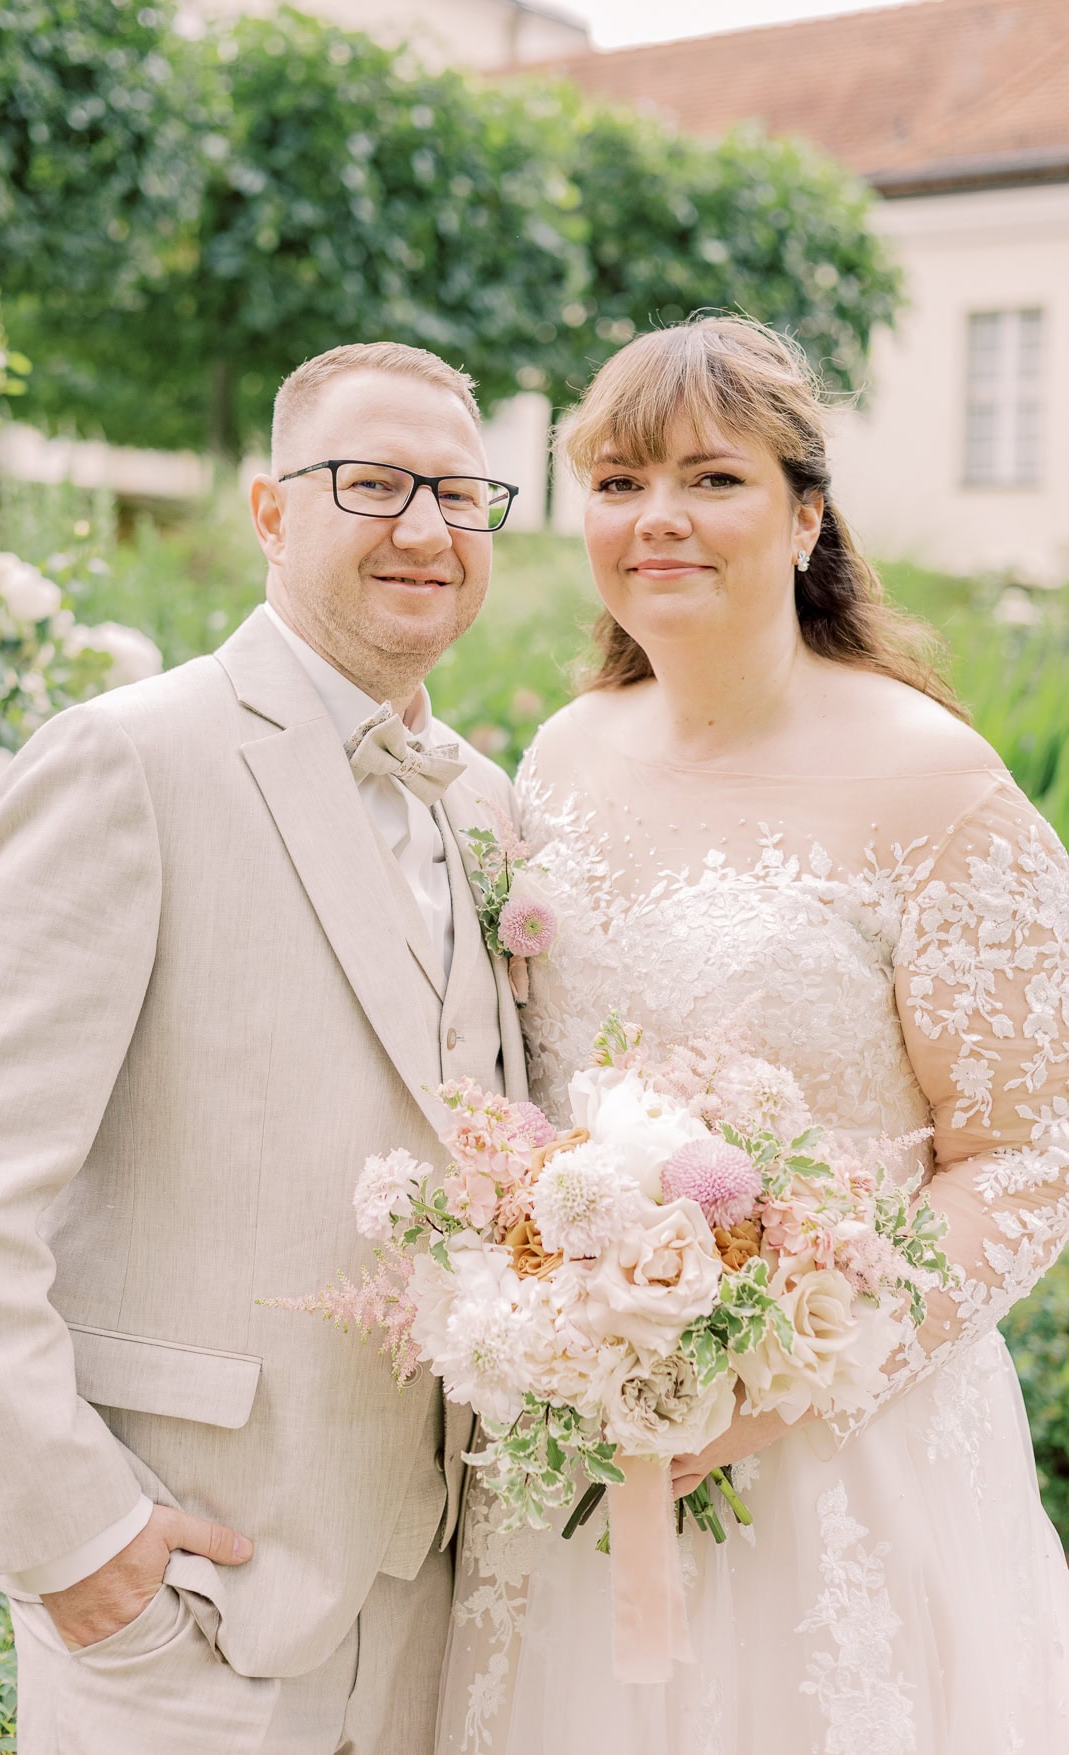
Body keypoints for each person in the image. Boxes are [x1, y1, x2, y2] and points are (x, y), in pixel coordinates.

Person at [437, 315, 1069, 1754]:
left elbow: (1022, 1162)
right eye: (618, 482)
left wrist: (774, 1375)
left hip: (847, 1461)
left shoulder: (940, 789)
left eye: (711, 479)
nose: (655, 517)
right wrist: (574, 1337)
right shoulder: (561, 754)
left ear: (804, 518)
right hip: (584, 1449)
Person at [0, 341, 528, 1755]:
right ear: (268, 509)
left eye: (458, 494)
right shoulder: (127, 760)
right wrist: (78, 1540)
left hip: (431, 1603)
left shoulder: (482, 804)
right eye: (371, 484)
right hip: (188, 1598)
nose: (425, 529)